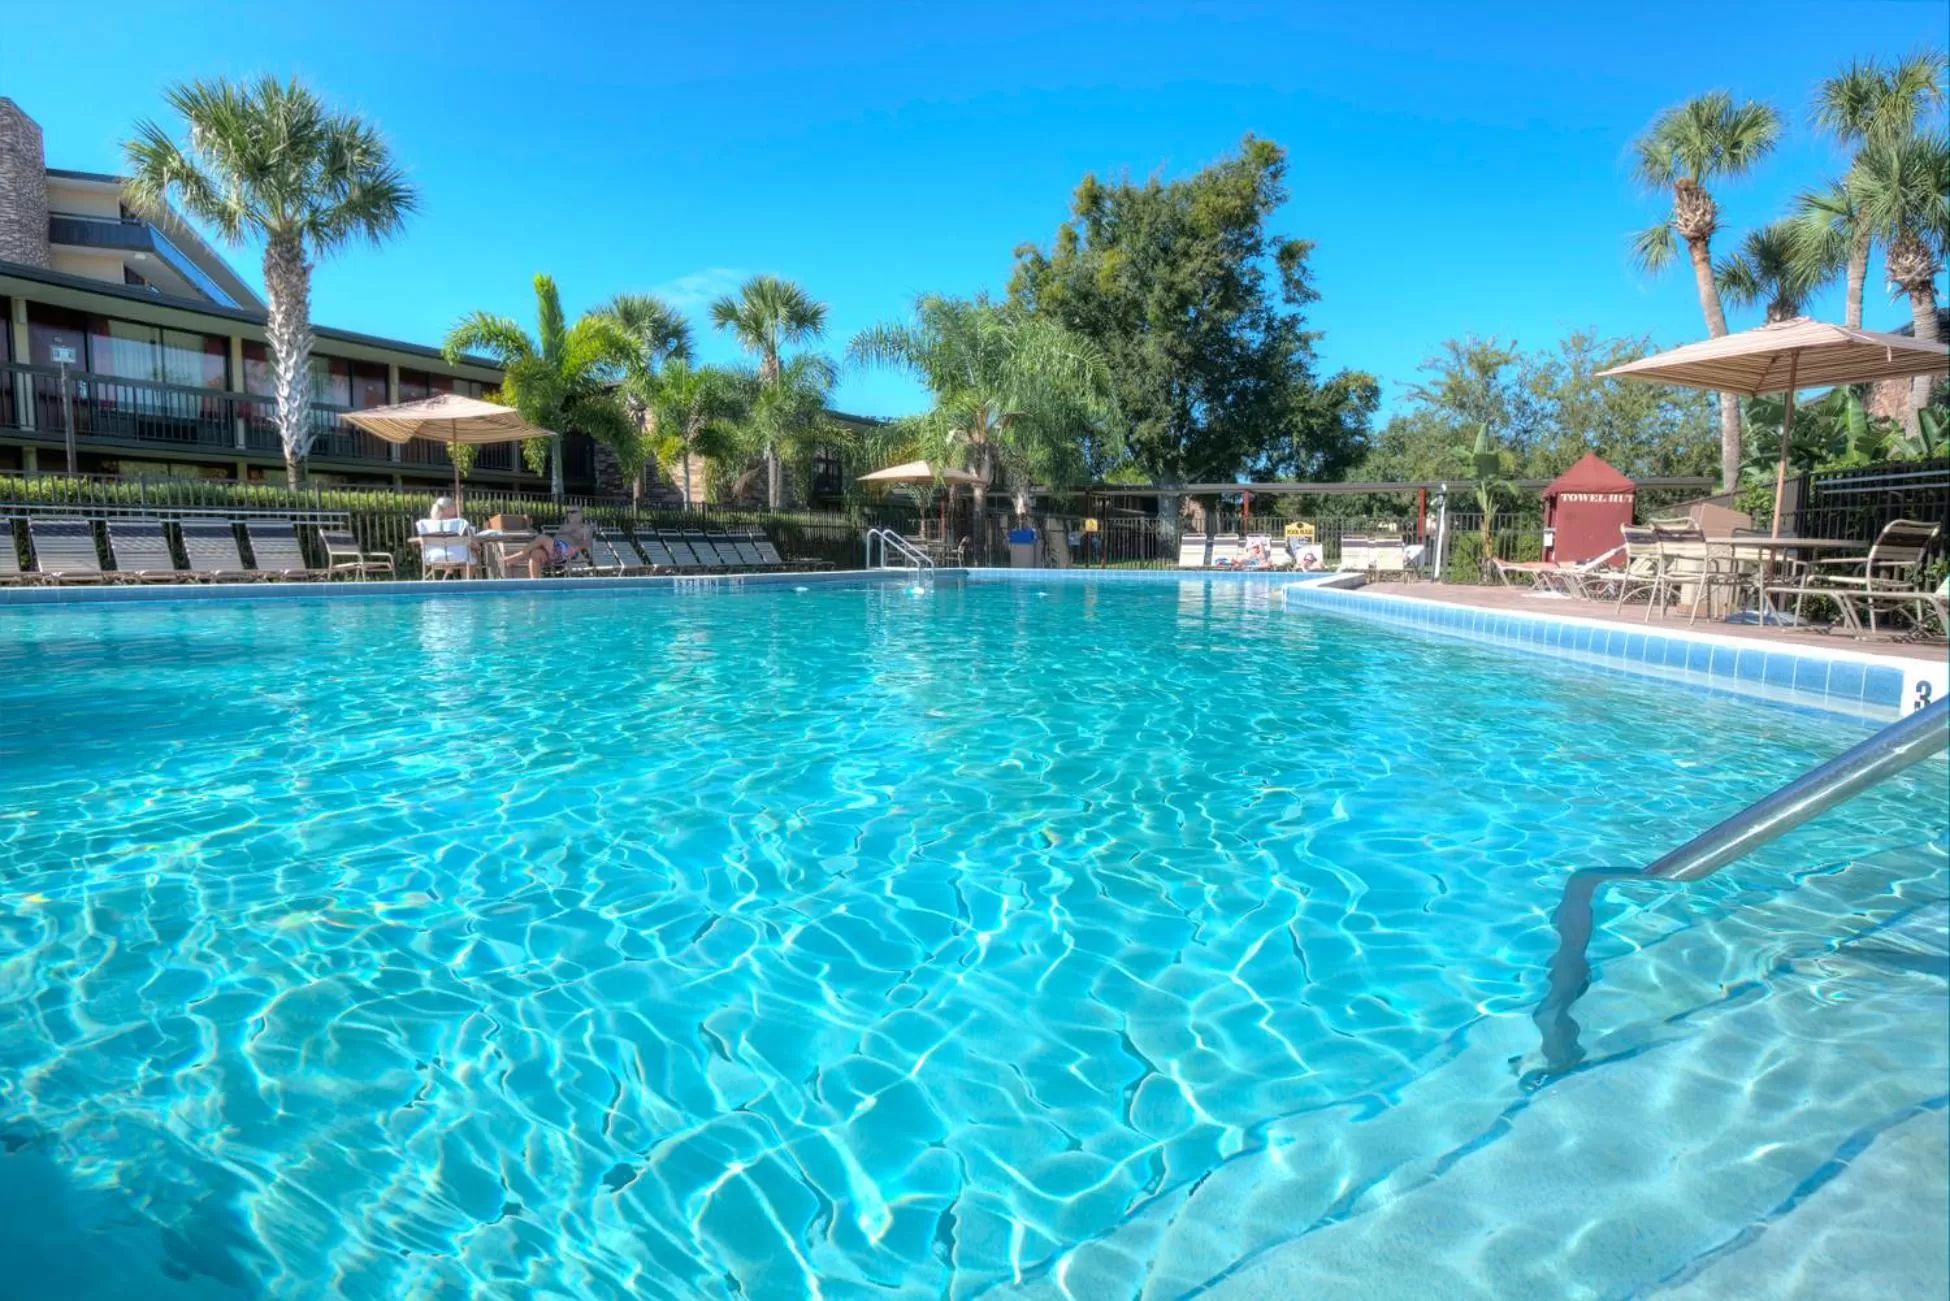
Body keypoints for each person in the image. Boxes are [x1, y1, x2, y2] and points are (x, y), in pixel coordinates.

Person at [512, 508, 593, 579]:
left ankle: (517, 556)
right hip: (555, 550)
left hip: (567, 550)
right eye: (569, 513)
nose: (570, 515)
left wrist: (576, 549)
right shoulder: (565, 527)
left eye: (573, 512)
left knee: (542, 538)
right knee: (535, 553)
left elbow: (586, 544)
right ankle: (534, 583)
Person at [414, 497, 478, 579]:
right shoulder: (460, 523)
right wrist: (477, 548)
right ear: (449, 508)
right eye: (454, 506)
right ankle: (466, 582)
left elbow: (422, 543)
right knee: (471, 556)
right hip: (458, 558)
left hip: (435, 558)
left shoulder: (426, 525)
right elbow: (474, 543)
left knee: (462, 554)